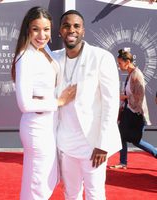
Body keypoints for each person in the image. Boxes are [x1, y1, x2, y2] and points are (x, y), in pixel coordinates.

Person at [54, 10, 122, 200]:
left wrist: (103, 144)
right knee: (70, 193)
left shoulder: (101, 57)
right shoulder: (54, 59)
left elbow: (110, 103)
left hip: (93, 145)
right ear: (60, 31)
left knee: (95, 194)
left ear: (83, 30)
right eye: (66, 26)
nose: (71, 30)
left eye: (76, 26)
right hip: (66, 144)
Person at [11, 7, 76, 200]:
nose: (42, 35)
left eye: (46, 29)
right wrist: (59, 101)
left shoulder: (44, 49)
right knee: (38, 182)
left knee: (43, 179)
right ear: (27, 30)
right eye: (36, 29)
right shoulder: (25, 57)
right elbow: (24, 104)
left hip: (50, 124)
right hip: (36, 126)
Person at [110, 49, 157, 170]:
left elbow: (139, 97)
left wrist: (124, 97)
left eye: (120, 63)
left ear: (128, 62)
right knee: (122, 136)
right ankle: (123, 162)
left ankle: (123, 162)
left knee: (136, 141)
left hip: (136, 114)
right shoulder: (131, 74)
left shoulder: (137, 75)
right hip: (129, 112)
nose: (118, 66)